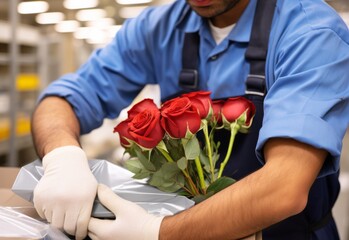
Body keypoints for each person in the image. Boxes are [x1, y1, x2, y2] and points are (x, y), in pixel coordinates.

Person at [31, 0, 349, 239]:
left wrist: (156, 232)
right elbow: (65, 100)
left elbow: (284, 187)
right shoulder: (160, 27)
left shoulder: (310, 32)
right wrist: (62, 157)